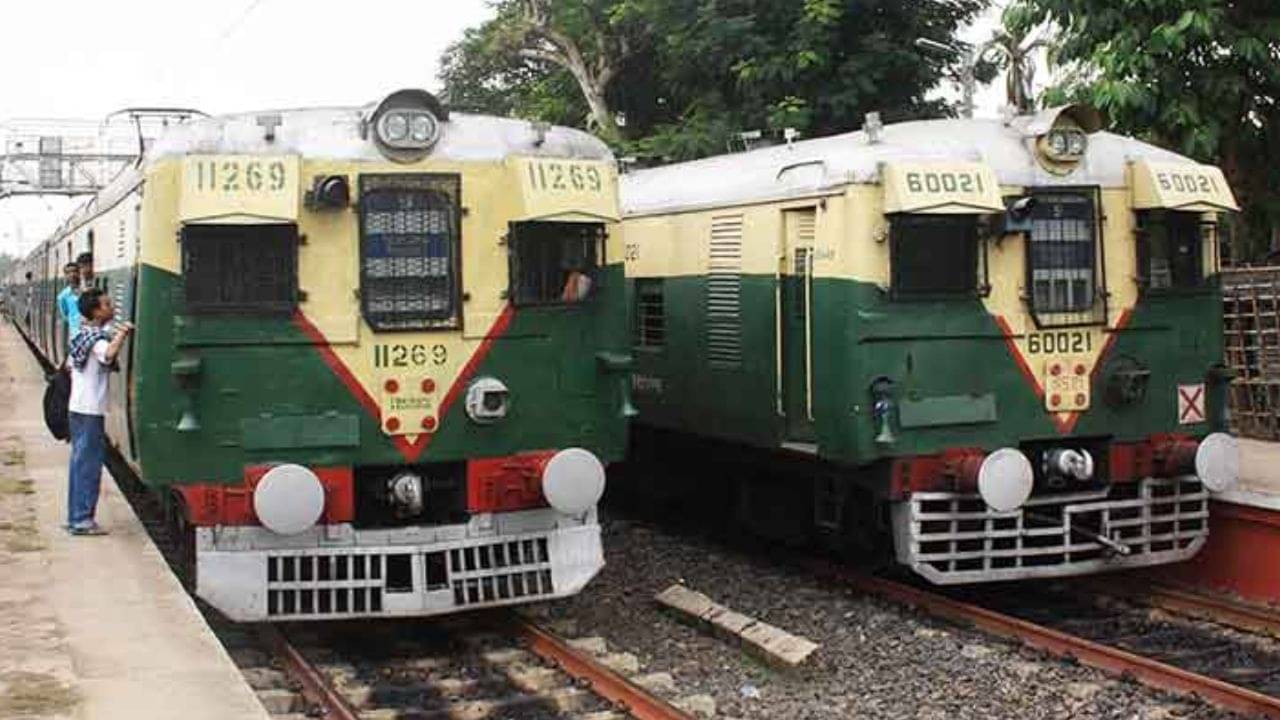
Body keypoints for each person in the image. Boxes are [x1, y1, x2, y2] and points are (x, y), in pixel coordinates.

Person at [65, 288, 133, 536]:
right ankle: (82, 520)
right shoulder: (97, 339)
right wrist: (123, 333)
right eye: (106, 304)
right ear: (95, 311)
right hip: (90, 410)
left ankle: (75, 515)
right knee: (88, 466)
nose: (111, 307)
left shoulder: (83, 334)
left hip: (78, 407)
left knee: (78, 464)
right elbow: (108, 353)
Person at [55, 262, 82, 346]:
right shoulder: (63, 296)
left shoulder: (86, 291)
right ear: (65, 276)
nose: (72, 275)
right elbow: (65, 316)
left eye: (74, 271)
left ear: (79, 273)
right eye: (68, 273)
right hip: (75, 335)